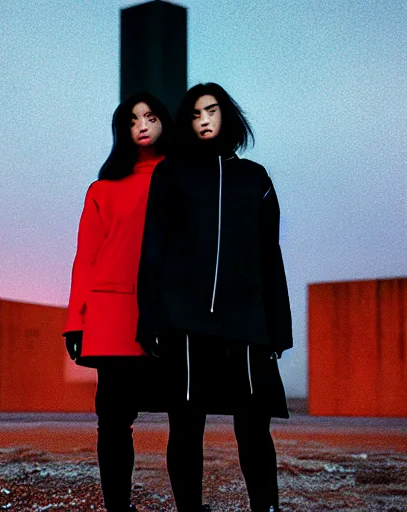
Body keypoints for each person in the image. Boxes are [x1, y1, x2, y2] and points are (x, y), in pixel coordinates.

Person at [137, 83, 293, 512]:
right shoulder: (171, 174)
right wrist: (149, 319)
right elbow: (153, 250)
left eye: (212, 110)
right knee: (186, 425)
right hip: (185, 322)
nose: (203, 120)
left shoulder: (255, 178)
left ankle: (266, 507)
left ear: (228, 115)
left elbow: (270, 254)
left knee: (254, 426)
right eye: (194, 114)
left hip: (245, 322)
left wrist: (278, 327)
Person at [63, 92, 173, 512]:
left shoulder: (183, 179)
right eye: (131, 120)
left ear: (164, 122)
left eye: (150, 116)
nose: (141, 125)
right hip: (111, 320)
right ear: (122, 131)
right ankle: (118, 509)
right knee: (112, 423)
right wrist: (76, 321)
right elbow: (85, 258)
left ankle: (187, 501)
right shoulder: (102, 189)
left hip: (169, 317)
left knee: (185, 421)